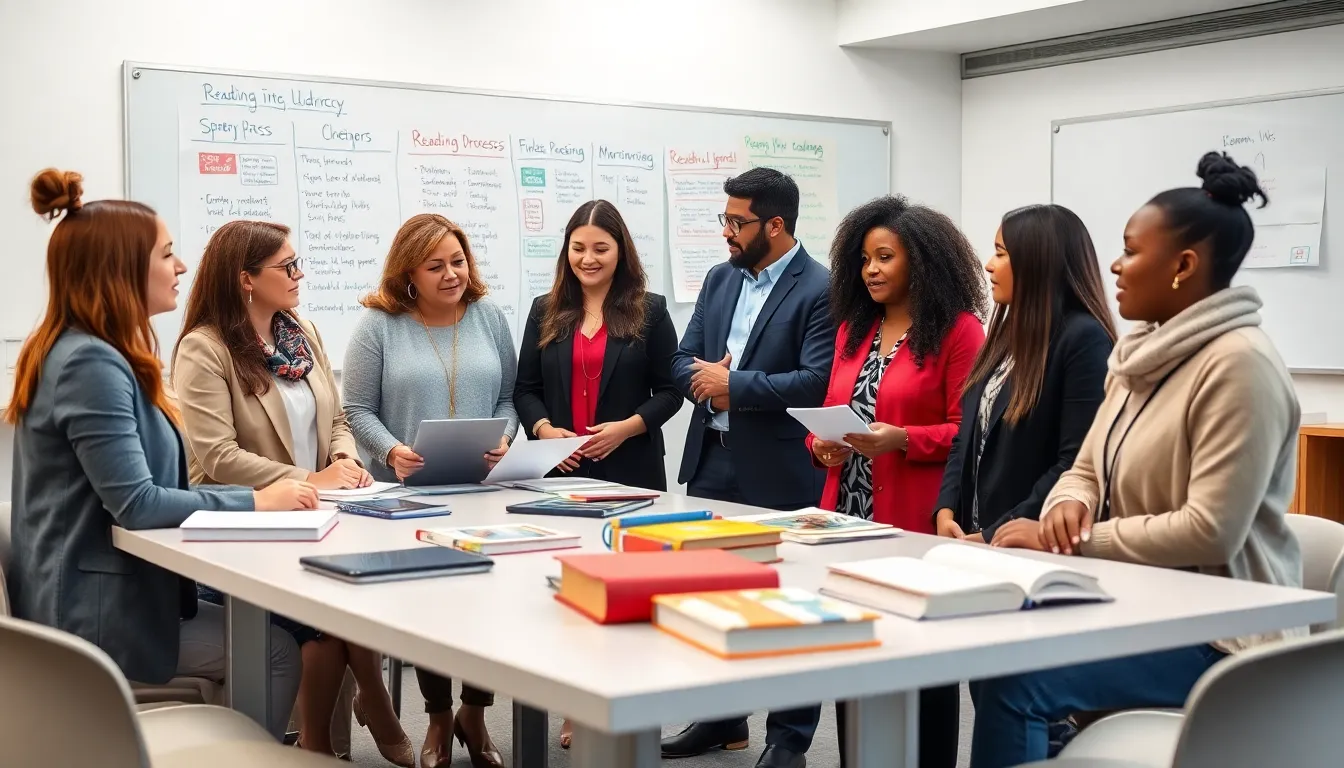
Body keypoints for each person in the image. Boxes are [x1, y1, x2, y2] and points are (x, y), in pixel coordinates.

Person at [970, 152, 1304, 768]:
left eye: (1130, 250)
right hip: (1147, 604)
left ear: (1183, 266)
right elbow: (1087, 468)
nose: (1116, 266)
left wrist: (1070, 540)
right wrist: (1069, 501)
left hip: (1224, 634)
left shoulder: (1238, 365)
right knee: (999, 647)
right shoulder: (1138, 359)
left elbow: (1211, 529)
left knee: (1019, 682)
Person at [4, 169, 316, 740]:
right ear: (121, 269)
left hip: (95, 588)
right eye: (167, 254)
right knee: (273, 651)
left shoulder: (86, 350)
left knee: (270, 636)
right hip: (91, 613)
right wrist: (258, 500)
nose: (181, 267)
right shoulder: (90, 363)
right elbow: (138, 503)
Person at [170, 220, 412, 765]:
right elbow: (217, 457)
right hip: (245, 523)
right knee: (325, 628)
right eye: (288, 267)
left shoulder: (298, 333)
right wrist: (309, 479)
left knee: (356, 593)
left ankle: (334, 733)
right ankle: (354, 720)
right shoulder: (203, 349)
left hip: (320, 514)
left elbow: (337, 417)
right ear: (246, 279)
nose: (300, 275)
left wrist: (344, 457)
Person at [805, 195, 987, 768]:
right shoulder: (854, 329)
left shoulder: (959, 333)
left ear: (923, 262)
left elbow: (968, 432)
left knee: (923, 662)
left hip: (916, 522)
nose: (872, 270)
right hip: (846, 521)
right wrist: (822, 447)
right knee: (852, 654)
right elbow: (830, 413)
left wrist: (902, 438)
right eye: (864, 259)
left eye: (885, 257)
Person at [665, 167, 832, 768]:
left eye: (738, 223)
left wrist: (734, 383)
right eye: (725, 220)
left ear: (777, 225)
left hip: (781, 471)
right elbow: (682, 360)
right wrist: (707, 382)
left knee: (791, 606)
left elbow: (817, 381)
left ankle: (789, 742)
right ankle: (720, 718)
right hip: (711, 459)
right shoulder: (718, 279)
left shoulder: (821, 288)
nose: (728, 233)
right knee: (712, 598)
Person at [343, 212, 517, 768]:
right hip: (409, 495)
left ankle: (476, 711)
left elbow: (508, 400)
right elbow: (357, 409)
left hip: (482, 489)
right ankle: (438, 716)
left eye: (459, 261)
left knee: (488, 598)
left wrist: (506, 440)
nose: (452, 274)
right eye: (435, 265)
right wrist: (392, 450)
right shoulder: (380, 324)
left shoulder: (489, 317)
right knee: (433, 603)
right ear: (408, 273)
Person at [515, 200, 682, 748]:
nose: (588, 258)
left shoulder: (651, 310)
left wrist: (629, 427)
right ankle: (576, 706)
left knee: (628, 593)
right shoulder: (545, 310)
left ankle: (632, 705)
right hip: (562, 475)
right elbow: (526, 389)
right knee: (570, 590)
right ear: (567, 250)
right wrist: (543, 431)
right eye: (579, 247)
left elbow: (671, 390)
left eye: (601, 248)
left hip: (630, 470)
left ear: (620, 251)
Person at [934, 204, 1115, 548]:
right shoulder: (1005, 335)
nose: (989, 264)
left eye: (1001, 253)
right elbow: (966, 435)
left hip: (1026, 541)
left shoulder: (1083, 338)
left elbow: (1074, 461)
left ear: (1038, 263)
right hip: (972, 537)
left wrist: (997, 531)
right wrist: (945, 509)